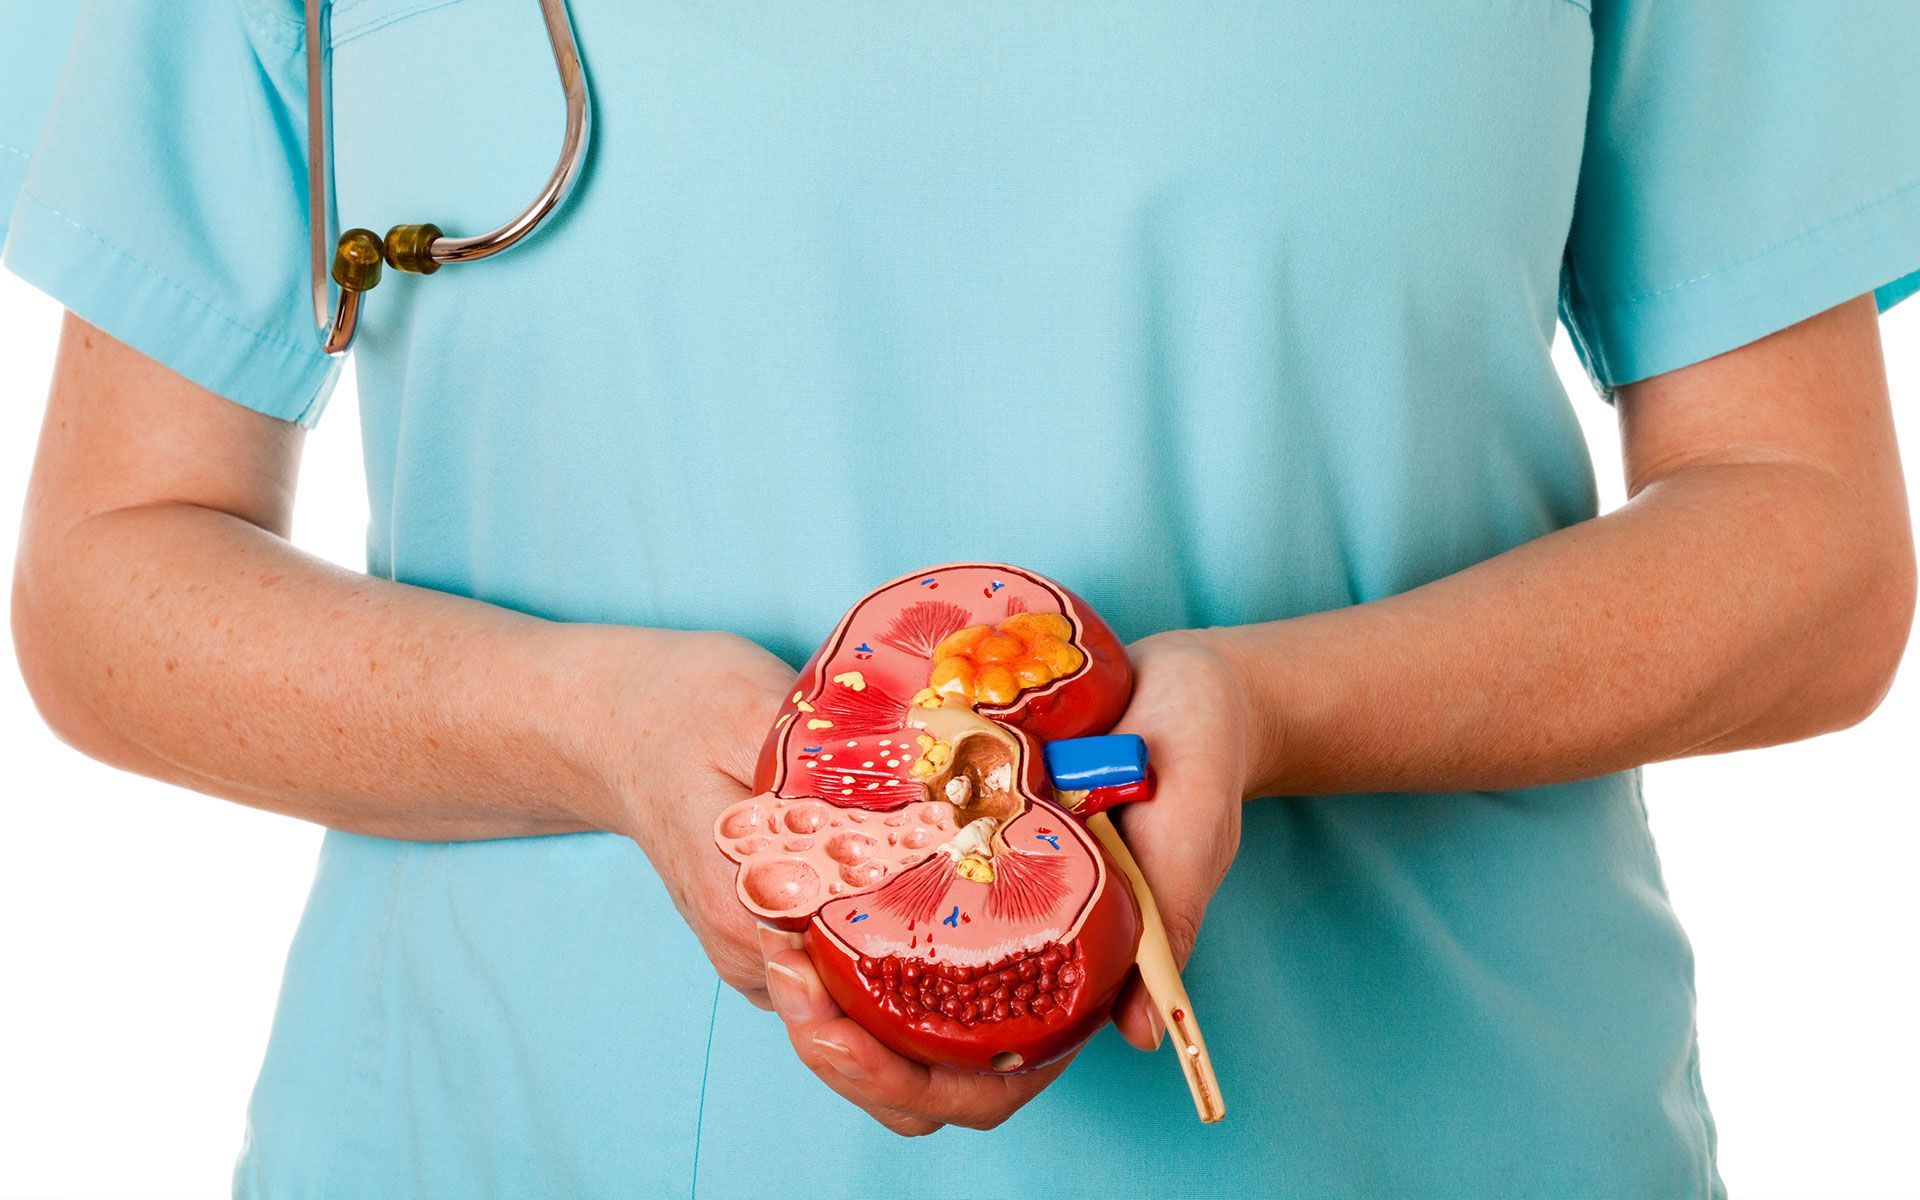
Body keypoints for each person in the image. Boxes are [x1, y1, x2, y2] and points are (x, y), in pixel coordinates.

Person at [3, 1, 1917, 1196]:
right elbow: (112, 571)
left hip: (1424, 1140)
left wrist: (1277, 708)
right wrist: (596, 728)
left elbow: (1811, 547)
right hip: (513, 1141)